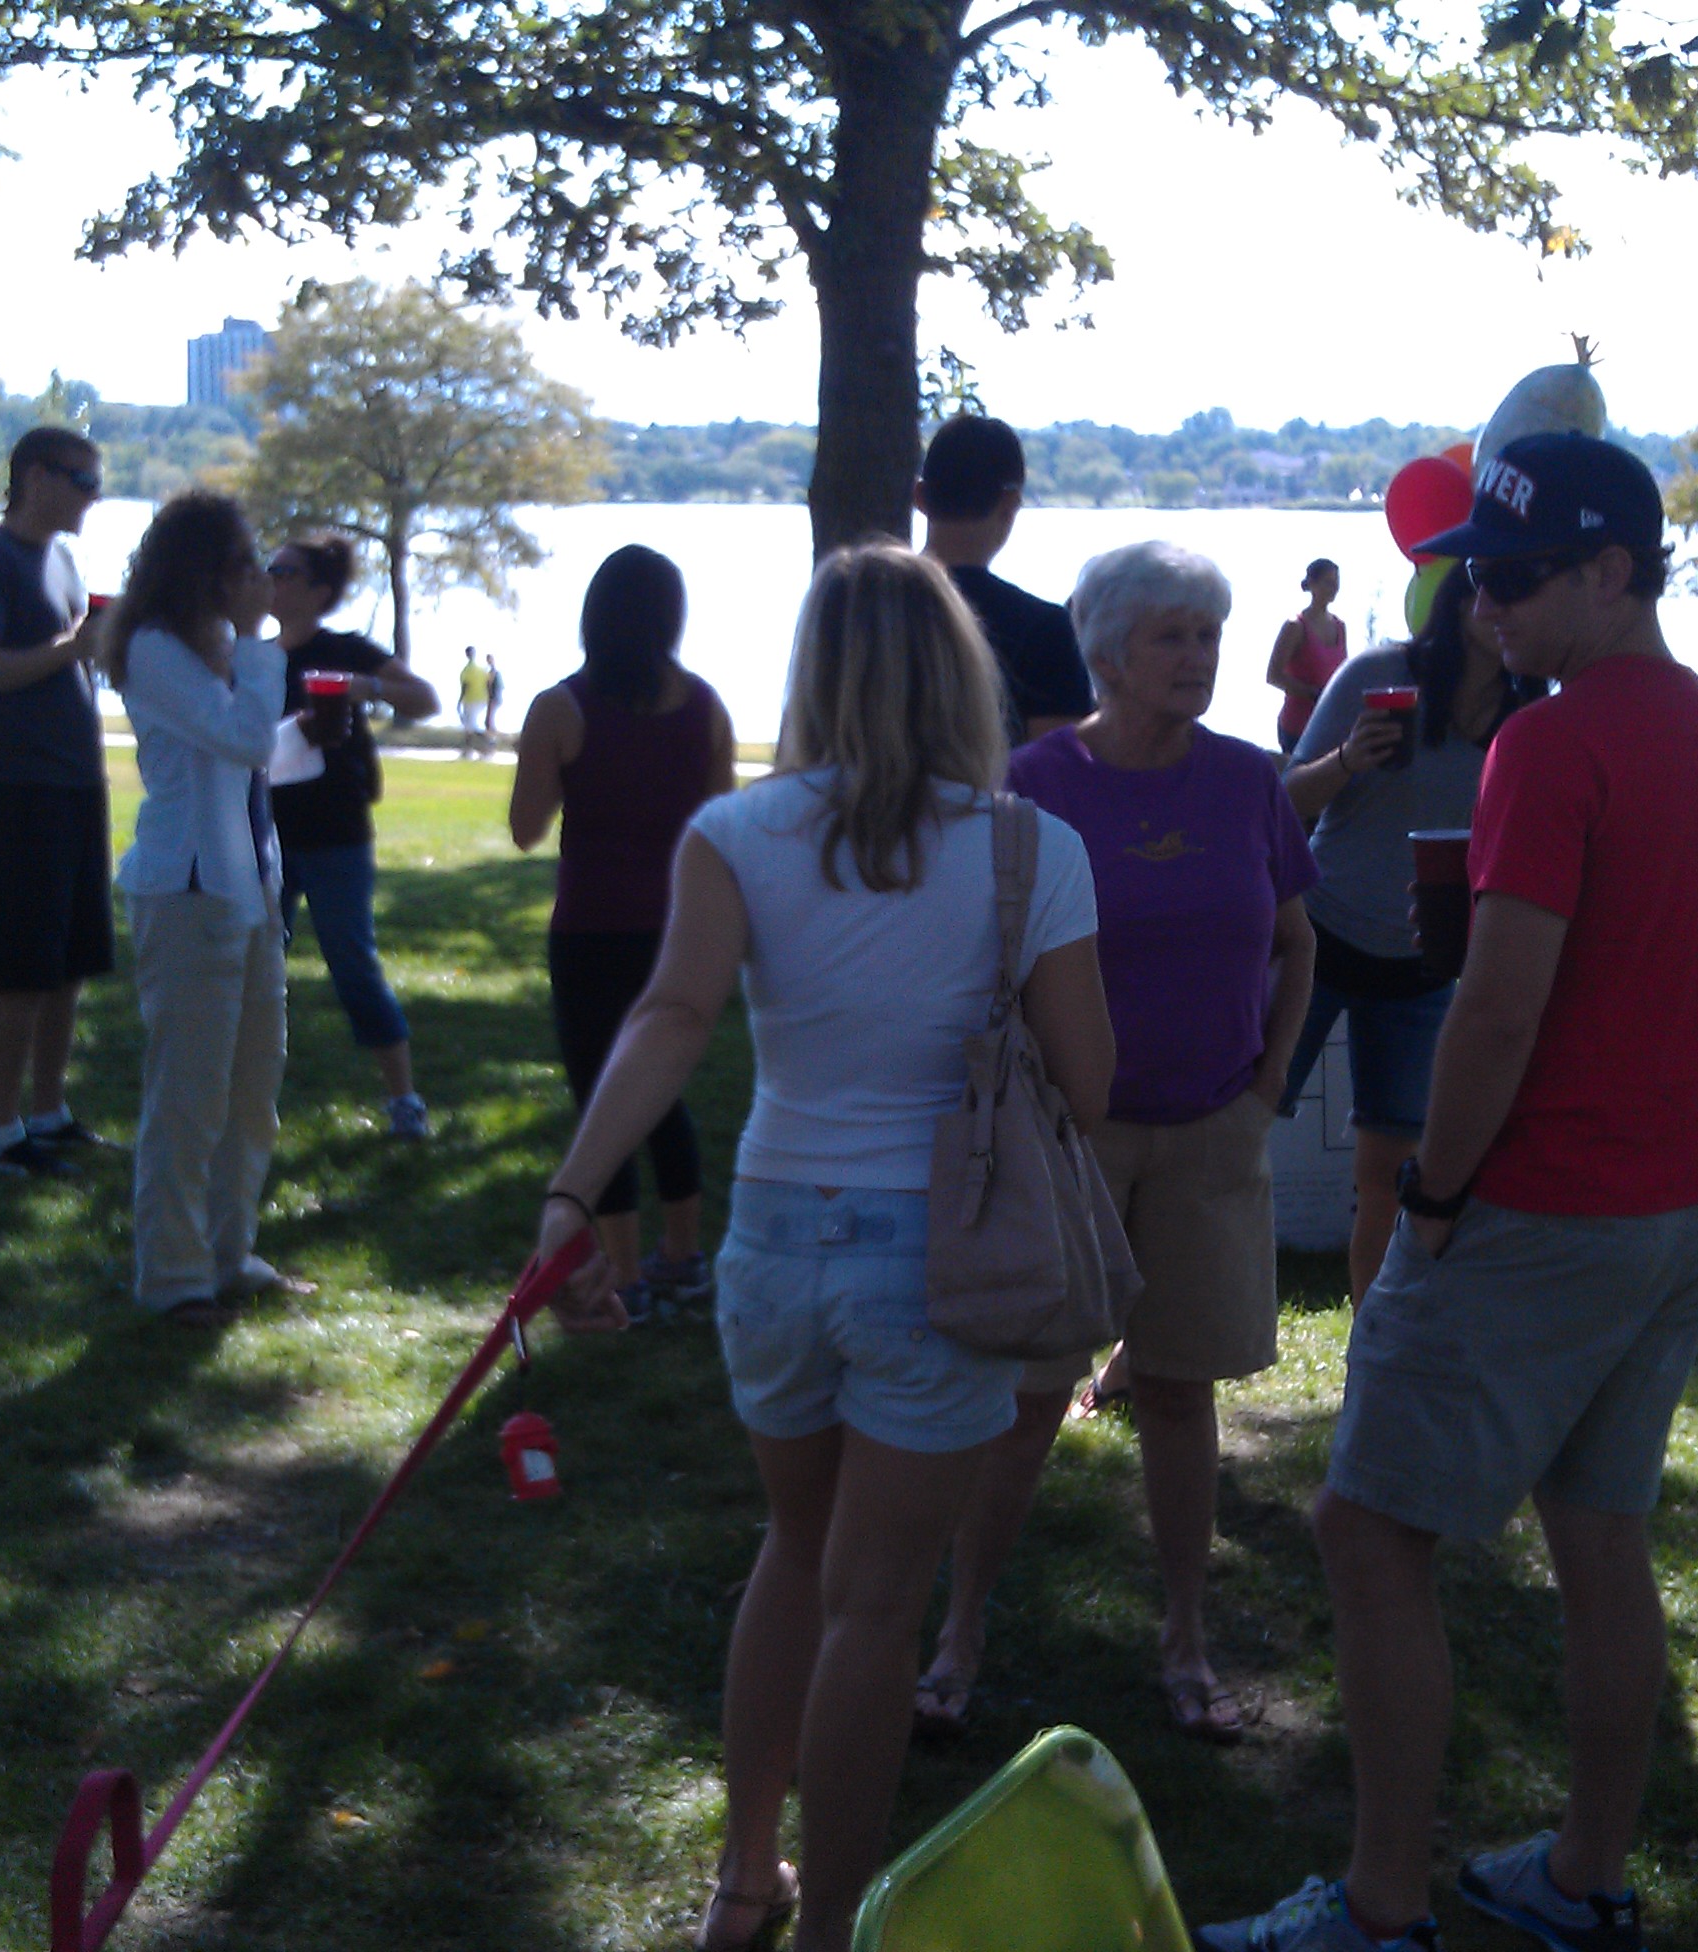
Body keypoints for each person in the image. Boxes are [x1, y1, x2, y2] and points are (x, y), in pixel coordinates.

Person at [1203, 434, 1698, 1952]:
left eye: (1519, 577)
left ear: (1614, 572)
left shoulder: (1552, 744)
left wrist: (1438, 1194)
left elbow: (1497, 1015)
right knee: (1600, 1539)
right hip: (1680, 1214)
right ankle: (1584, 1880)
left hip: (1540, 1208)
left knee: (1365, 1532)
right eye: (1475, 574)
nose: (1487, 604)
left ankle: (1381, 1907)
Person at [526, 543, 1114, 1952]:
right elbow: (1089, 1087)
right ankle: (833, 1919)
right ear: (960, 675)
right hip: (941, 1258)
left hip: (776, 1241)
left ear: (814, 672)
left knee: (793, 1553)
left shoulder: (736, 832)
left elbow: (670, 1018)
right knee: (876, 1608)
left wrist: (571, 1194)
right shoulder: (1033, 847)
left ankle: (744, 1880)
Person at [918, 540, 1317, 1746]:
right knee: (1029, 1397)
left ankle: (1186, 1638)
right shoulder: (1034, 784)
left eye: (1208, 635)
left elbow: (1298, 943)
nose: (1198, 658)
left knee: (1181, 1394)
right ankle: (958, 1634)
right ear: (1107, 653)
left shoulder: (1247, 780)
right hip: (1064, 1140)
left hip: (1211, 1132)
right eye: (1171, 637)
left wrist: (1266, 1089)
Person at [1275, 567, 1546, 1299]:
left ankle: (1373, 1342)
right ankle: (1158, 1344)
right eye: (1487, 590)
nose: (1499, 607)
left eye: (1516, 592)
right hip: (1318, 937)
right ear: (1456, 602)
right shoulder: (1379, 675)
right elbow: (1283, 803)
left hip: (1423, 963)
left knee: (1389, 1178)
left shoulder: (1529, 710)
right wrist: (1348, 758)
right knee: (1234, 1139)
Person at [508, 545, 738, 1317]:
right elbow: (723, 825)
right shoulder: (707, 708)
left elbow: (525, 828)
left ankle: (626, 1275)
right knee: (663, 1092)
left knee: (600, 1093)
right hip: (677, 928)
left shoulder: (560, 707)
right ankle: (684, 1256)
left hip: (590, 931)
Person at [101, 491, 308, 1323]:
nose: (259, 577)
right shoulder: (153, 648)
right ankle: (173, 1275)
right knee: (188, 1096)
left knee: (253, 1088)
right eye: (245, 562)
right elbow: (243, 737)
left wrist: (306, 736)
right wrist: (259, 641)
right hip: (188, 894)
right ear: (205, 569)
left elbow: (251, 755)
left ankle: (229, 1251)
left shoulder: (217, 645)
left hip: (250, 887)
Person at [0, 425, 112, 1176]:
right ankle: (0, 1132)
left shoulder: (64, 564)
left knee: (69, 966)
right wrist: (71, 648)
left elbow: (69, 659)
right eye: (84, 482)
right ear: (37, 477)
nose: (93, 498)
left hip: (76, 786)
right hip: (15, 791)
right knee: (21, 972)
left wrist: (102, 646)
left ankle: (49, 1113)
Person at [267, 536, 443, 1139]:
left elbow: (425, 699)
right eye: (268, 568)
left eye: (284, 571)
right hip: (264, 833)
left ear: (319, 591)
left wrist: (366, 687)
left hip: (336, 834)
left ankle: (404, 1101)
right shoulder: (253, 656)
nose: (271, 578)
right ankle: (250, 1096)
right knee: (256, 966)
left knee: (352, 964)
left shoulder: (343, 650)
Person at [915, 413, 1093, 743]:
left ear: (920, 497)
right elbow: (1058, 763)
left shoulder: (858, 609)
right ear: (1010, 503)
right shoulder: (1044, 630)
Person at [1268, 557, 1347, 750]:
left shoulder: (1340, 626)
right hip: (1297, 728)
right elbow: (1273, 676)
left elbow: (1342, 672)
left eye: (1336, 583)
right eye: (1328, 582)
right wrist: (1312, 693)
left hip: (1328, 726)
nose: (1334, 588)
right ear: (1312, 584)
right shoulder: (1295, 626)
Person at [456, 648, 493, 756]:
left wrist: (459, 701)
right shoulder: (482, 670)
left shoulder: (467, 670)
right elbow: (488, 684)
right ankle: (468, 748)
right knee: (469, 726)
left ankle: (488, 741)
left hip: (470, 699)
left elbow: (465, 687)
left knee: (470, 726)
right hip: (482, 700)